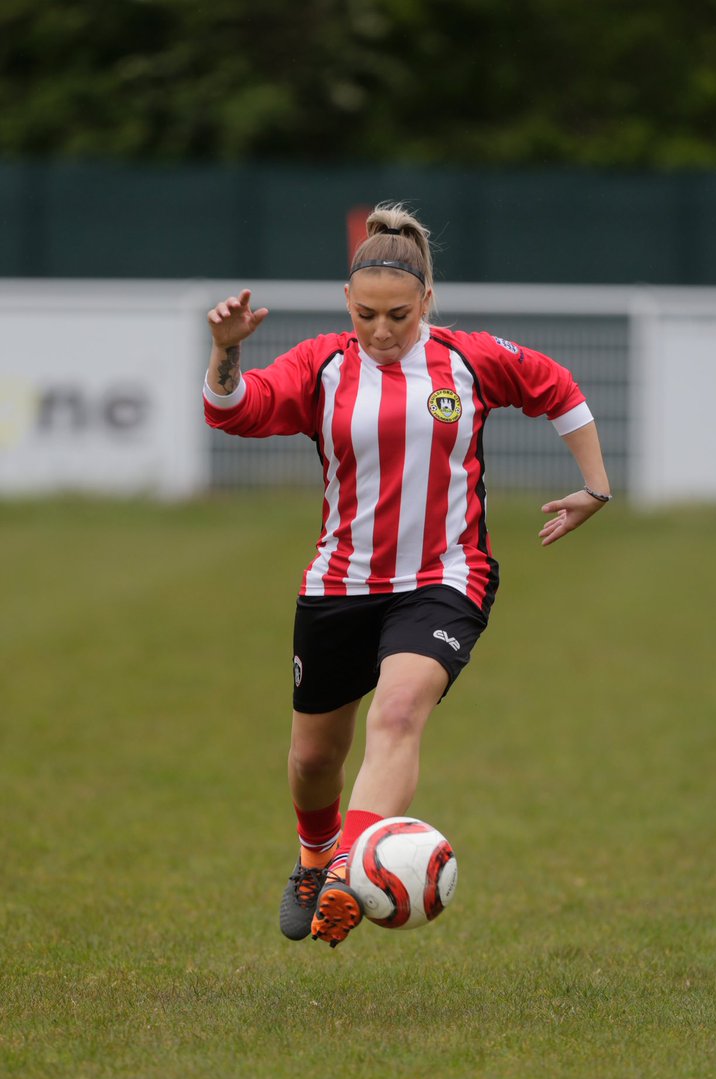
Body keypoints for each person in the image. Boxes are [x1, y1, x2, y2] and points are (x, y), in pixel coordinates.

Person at [204, 203, 612, 949]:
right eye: (365, 315)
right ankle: (314, 857)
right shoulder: (321, 365)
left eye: (397, 314)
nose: (381, 330)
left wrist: (594, 485)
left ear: (426, 301)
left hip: (445, 577)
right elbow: (234, 411)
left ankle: (342, 881)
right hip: (339, 585)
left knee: (396, 715)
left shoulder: (469, 358)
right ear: (346, 304)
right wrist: (225, 354)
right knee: (312, 760)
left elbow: (556, 387)